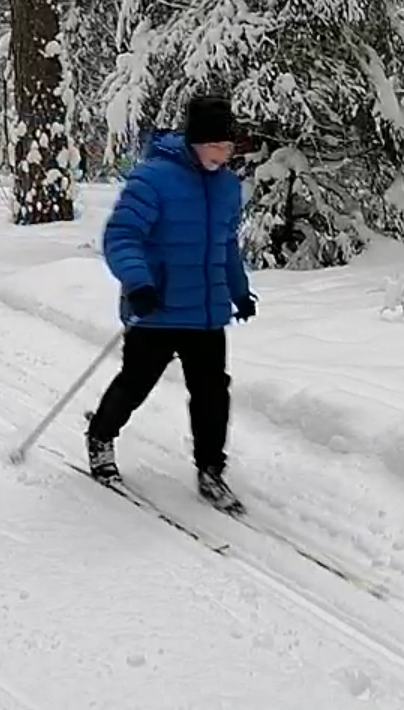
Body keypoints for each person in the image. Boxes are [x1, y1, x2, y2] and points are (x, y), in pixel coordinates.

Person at [88, 95, 256, 513]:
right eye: (216, 146)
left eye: (228, 147)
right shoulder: (153, 179)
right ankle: (100, 437)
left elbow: (225, 246)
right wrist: (138, 282)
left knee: (212, 392)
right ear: (196, 142)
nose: (224, 154)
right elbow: (121, 237)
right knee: (136, 383)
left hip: (205, 312)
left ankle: (210, 468)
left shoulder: (227, 187)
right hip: (157, 308)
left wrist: (238, 290)